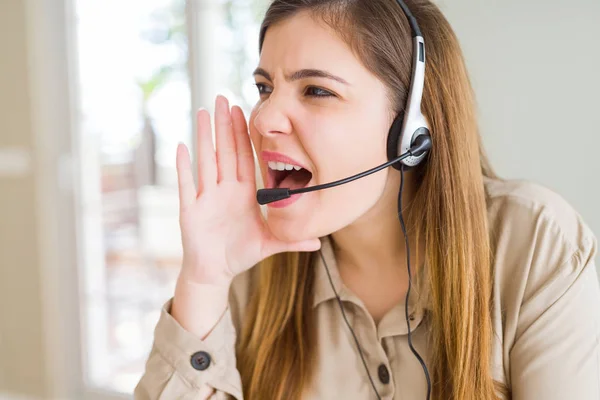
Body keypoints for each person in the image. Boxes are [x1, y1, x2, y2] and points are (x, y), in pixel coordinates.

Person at [134, 0, 600, 399]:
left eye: (317, 90)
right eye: (264, 88)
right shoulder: (243, 270)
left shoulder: (535, 245)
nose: (264, 118)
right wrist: (203, 281)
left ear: (410, 131)